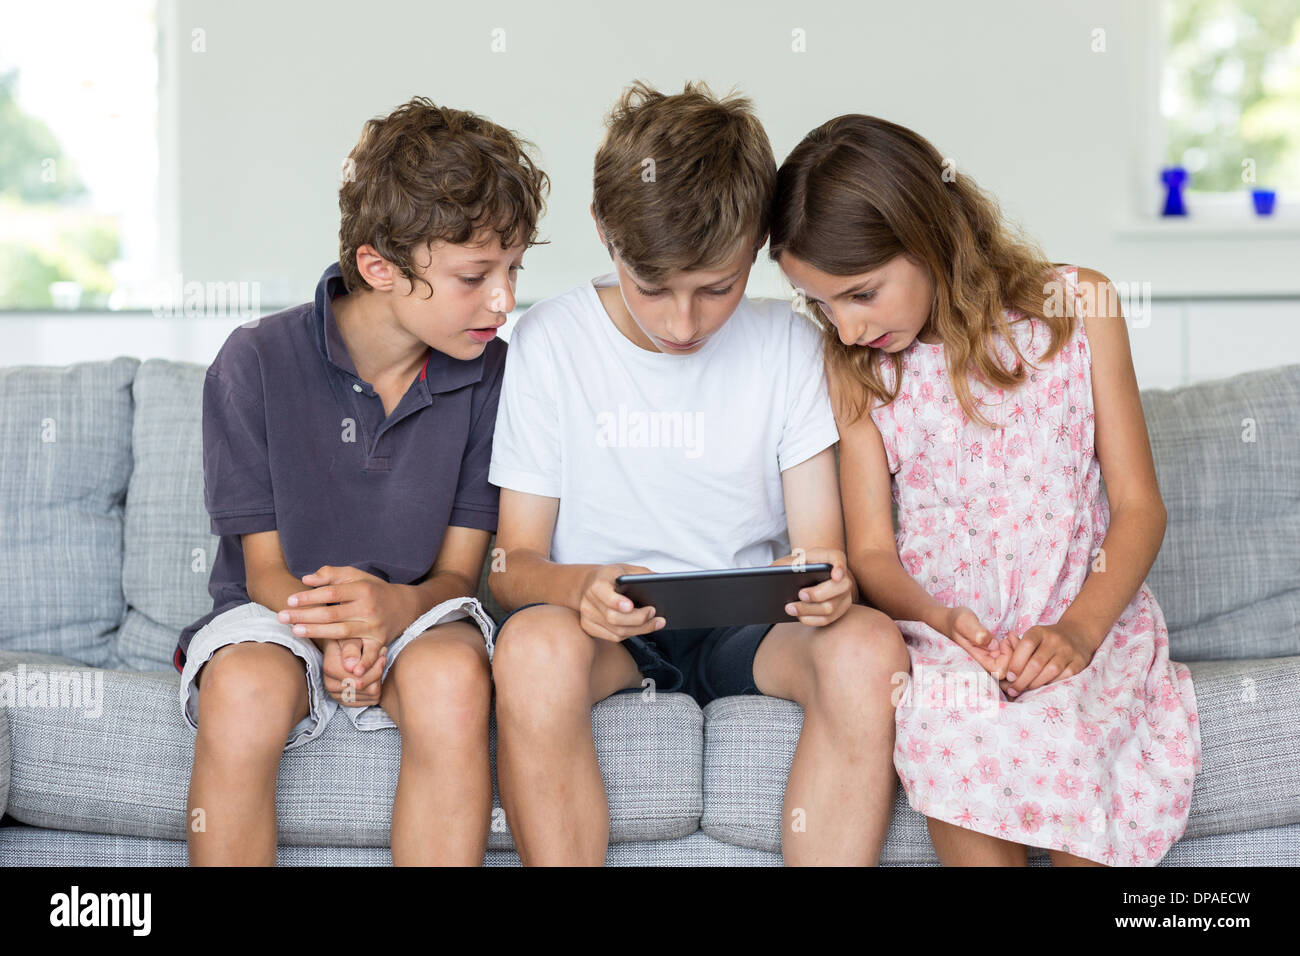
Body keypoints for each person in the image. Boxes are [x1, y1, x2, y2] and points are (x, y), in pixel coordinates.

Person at [487, 81, 908, 866]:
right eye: (655, 290)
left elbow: (818, 550)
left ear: (758, 245)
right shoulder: (549, 341)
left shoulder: (788, 343)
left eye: (718, 289)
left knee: (868, 647)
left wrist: (829, 581)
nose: (685, 324)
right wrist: (576, 588)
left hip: (750, 635)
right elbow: (512, 566)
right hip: (607, 637)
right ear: (606, 233)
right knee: (530, 651)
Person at [771, 113, 1201, 866]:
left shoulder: (1078, 309)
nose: (843, 328)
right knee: (950, 732)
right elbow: (871, 551)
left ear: (927, 232)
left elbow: (1140, 509)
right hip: (953, 650)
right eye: (821, 305)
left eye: (861, 294)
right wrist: (939, 620)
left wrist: (1077, 635)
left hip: (1086, 627)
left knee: (1078, 750)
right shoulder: (862, 372)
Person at [175, 96, 548, 865]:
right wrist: (343, 630)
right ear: (378, 266)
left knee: (451, 681)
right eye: (476, 276)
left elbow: (457, 570)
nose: (505, 301)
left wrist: (393, 611)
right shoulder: (255, 361)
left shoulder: (493, 377)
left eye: (514, 270)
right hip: (275, 610)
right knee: (243, 691)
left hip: (422, 610)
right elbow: (265, 569)